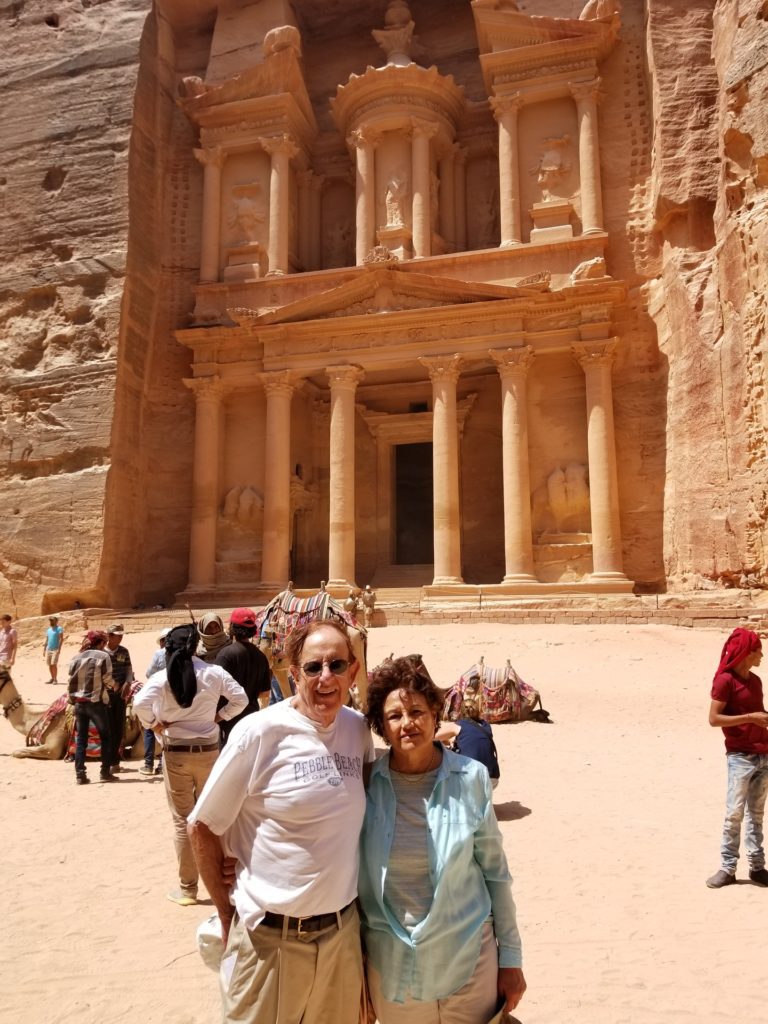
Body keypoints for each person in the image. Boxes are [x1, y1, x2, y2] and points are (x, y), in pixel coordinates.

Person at [188, 620, 373, 1024]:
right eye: (313, 667)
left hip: (340, 937)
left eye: (337, 666)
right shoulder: (259, 733)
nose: (326, 678)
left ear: (353, 671)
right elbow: (202, 825)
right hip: (269, 939)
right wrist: (224, 910)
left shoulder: (357, 730)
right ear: (292, 673)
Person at [359, 654, 526, 1023]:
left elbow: (496, 874)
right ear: (381, 728)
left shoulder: (471, 778)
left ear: (436, 714)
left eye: (417, 712)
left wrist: (511, 958)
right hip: (393, 967)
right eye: (394, 716)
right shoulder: (364, 785)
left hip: (468, 960)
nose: (408, 724)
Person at [133, 623, 247, 907]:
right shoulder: (213, 672)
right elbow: (241, 699)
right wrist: (218, 717)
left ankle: (188, 888)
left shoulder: (162, 678)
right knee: (214, 816)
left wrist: (155, 725)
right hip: (208, 751)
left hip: (176, 753)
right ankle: (223, 882)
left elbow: (139, 705)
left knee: (183, 821)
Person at [707, 626, 768, 888]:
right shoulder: (724, 681)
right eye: (758, 652)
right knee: (734, 813)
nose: (761, 657)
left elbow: (759, 713)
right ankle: (727, 868)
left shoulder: (755, 681)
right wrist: (749, 718)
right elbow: (713, 719)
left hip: (763, 754)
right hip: (740, 756)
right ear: (747, 652)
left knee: (756, 813)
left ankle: (757, 867)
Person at [67, 630, 119, 786]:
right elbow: (107, 679)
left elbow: (70, 680)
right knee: (106, 737)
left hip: (79, 704)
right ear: (102, 643)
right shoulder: (104, 657)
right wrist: (115, 686)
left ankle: (80, 774)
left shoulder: (75, 658)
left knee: (81, 739)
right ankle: (105, 772)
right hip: (96, 704)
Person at [214, 607, 271, 745]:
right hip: (251, 719)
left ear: (233, 627)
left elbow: (214, 687)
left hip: (226, 721)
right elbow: (265, 693)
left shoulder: (226, 654)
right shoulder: (261, 656)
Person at [437, 693, 501, 790]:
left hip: (471, 778)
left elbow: (433, 737)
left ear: (461, 712)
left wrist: (446, 741)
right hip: (492, 779)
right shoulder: (486, 726)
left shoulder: (459, 725)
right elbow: (475, 741)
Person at [140, 627, 171, 776]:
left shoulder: (159, 654)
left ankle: (148, 764)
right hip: (172, 697)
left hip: (157, 695)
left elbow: (148, 673)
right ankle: (161, 763)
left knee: (150, 729)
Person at [105, 624, 134, 775]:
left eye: (121, 635)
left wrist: (128, 683)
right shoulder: (101, 652)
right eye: (117, 635)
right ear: (109, 636)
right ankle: (108, 762)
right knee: (108, 728)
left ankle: (115, 761)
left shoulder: (124, 651)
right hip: (105, 696)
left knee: (118, 728)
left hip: (121, 695)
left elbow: (129, 669)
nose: (120, 637)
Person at [43, 615, 65, 683]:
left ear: (56, 621)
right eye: (50, 620)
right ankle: (52, 678)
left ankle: (55, 679)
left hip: (55, 649)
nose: (51, 621)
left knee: (54, 664)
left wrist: (59, 649)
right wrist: (44, 650)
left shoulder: (59, 629)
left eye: (52, 620)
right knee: (49, 664)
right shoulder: (48, 630)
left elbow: (61, 639)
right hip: (49, 649)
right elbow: (46, 640)